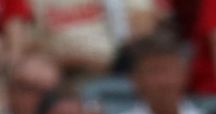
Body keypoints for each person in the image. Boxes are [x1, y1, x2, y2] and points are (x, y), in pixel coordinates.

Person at [0, 0, 161, 76]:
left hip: (115, 71)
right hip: (58, 76)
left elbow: (144, 29)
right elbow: (24, 46)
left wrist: (114, 61)